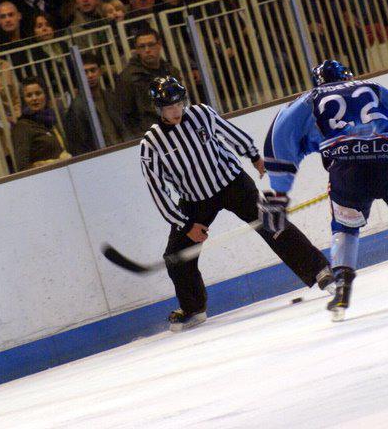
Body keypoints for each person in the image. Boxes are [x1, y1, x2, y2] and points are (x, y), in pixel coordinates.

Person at [139, 76, 334, 331]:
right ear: (158, 110)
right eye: (168, 107)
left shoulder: (201, 114)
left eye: (178, 104)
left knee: (273, 224)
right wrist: (186, 225)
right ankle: (193, 308)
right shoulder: (150, 145)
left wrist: (254, 156)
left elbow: (230, 133)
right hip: (195, 201)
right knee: (175, 256)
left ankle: (321, 272)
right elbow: (158, 192)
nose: (176, 111)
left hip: (233, 184)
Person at [261, 60, 388, 321]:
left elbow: (280, 135)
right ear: (347, 76)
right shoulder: (373, 87)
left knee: (345, 229)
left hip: (347, 172)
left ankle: (341, 288)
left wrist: (279, 193)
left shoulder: (311, 99)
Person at [114, 27, 180, 134]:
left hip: (177, 128)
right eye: (142, 47)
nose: (147, 50)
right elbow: (124, 115)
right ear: (137, 50)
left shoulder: (172, 72)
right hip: (149, 135)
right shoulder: (127, 78)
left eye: (151, 45)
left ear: (159, 44)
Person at [63, 53, 127, 155]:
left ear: (100, 71)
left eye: (93, 70)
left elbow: (125, 128)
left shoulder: (111, 97)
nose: (90, 75)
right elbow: (78, 146)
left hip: (123, 152)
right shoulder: (76, 109)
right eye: (85, 72)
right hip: (99, 159)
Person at [12, 76, 71, 171]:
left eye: (38, 93)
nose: (34, 98)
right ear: (24, 100)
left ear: (45, 95)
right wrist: (45, 165)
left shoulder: (50, 121)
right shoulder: (23, 126)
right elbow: (22, 166)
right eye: (29, 95)